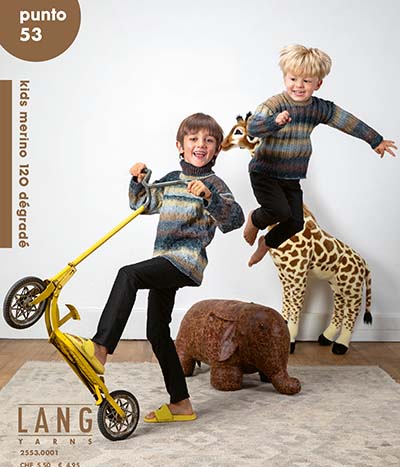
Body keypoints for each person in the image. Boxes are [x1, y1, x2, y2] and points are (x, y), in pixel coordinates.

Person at [67, 113, 244, 423]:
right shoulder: (173, 179)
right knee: (157, 331)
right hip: (165, 258)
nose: (200, 145)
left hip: (185, 261)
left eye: (208, 141)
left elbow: (235, 219)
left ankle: (100, 348)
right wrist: (138, 180)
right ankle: (181, 403)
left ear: (217, 149)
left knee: (129, 274)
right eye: (193, 139)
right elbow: (143, 203)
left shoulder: (215, 185)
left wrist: (209, 197)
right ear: (180, 145)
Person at [244, 44, 397, 267]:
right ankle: (255, 219)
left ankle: (266, 243)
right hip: (265, 172)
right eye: (293, 79)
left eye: (306, 81)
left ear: (318, 84)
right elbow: (252, 127)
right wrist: (273, 122)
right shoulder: (274, 104)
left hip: (291, 176)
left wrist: (375, 140)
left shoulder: (319, 108)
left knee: (296, 223)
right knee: (278, 210)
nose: (299, 85)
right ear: (285, 78)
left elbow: (347, 121)